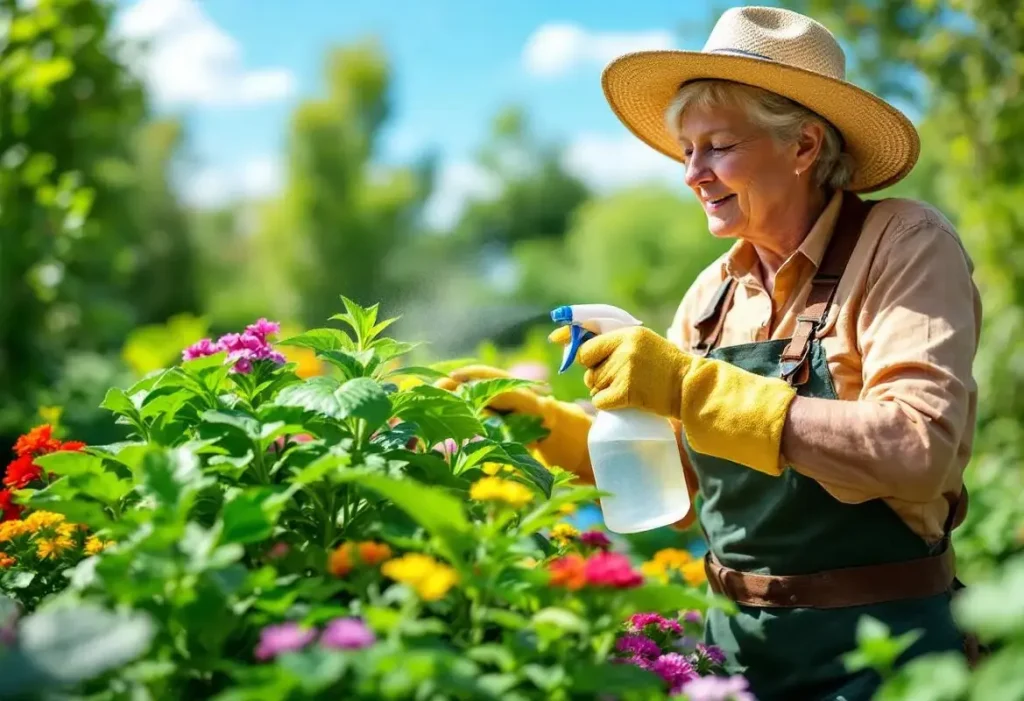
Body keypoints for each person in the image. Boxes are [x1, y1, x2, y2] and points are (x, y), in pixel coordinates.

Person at [437, 6, 982, 700]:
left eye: (718, 145)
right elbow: (691, 493)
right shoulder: (713, 293)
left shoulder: (904, 243)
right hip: (736, 658)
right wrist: (550, 428)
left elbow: (915, 449)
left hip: (885, 653)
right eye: (687, 150)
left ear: (805, 145)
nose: (693, 173)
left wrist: (689, 387)